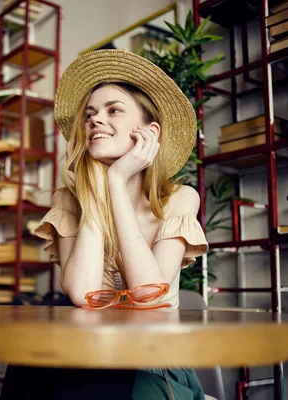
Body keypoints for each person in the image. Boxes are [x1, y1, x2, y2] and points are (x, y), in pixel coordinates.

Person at [31, 49, 210, 399]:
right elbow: (82, 293)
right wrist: (99, 186)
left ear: (148, 132)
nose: (96, 120)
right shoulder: (67, 201)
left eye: (113, 110)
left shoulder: (179, 199)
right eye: (90, 115)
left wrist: (117, 181)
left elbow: (147, 298)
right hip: (88, 358)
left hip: (153, 363)